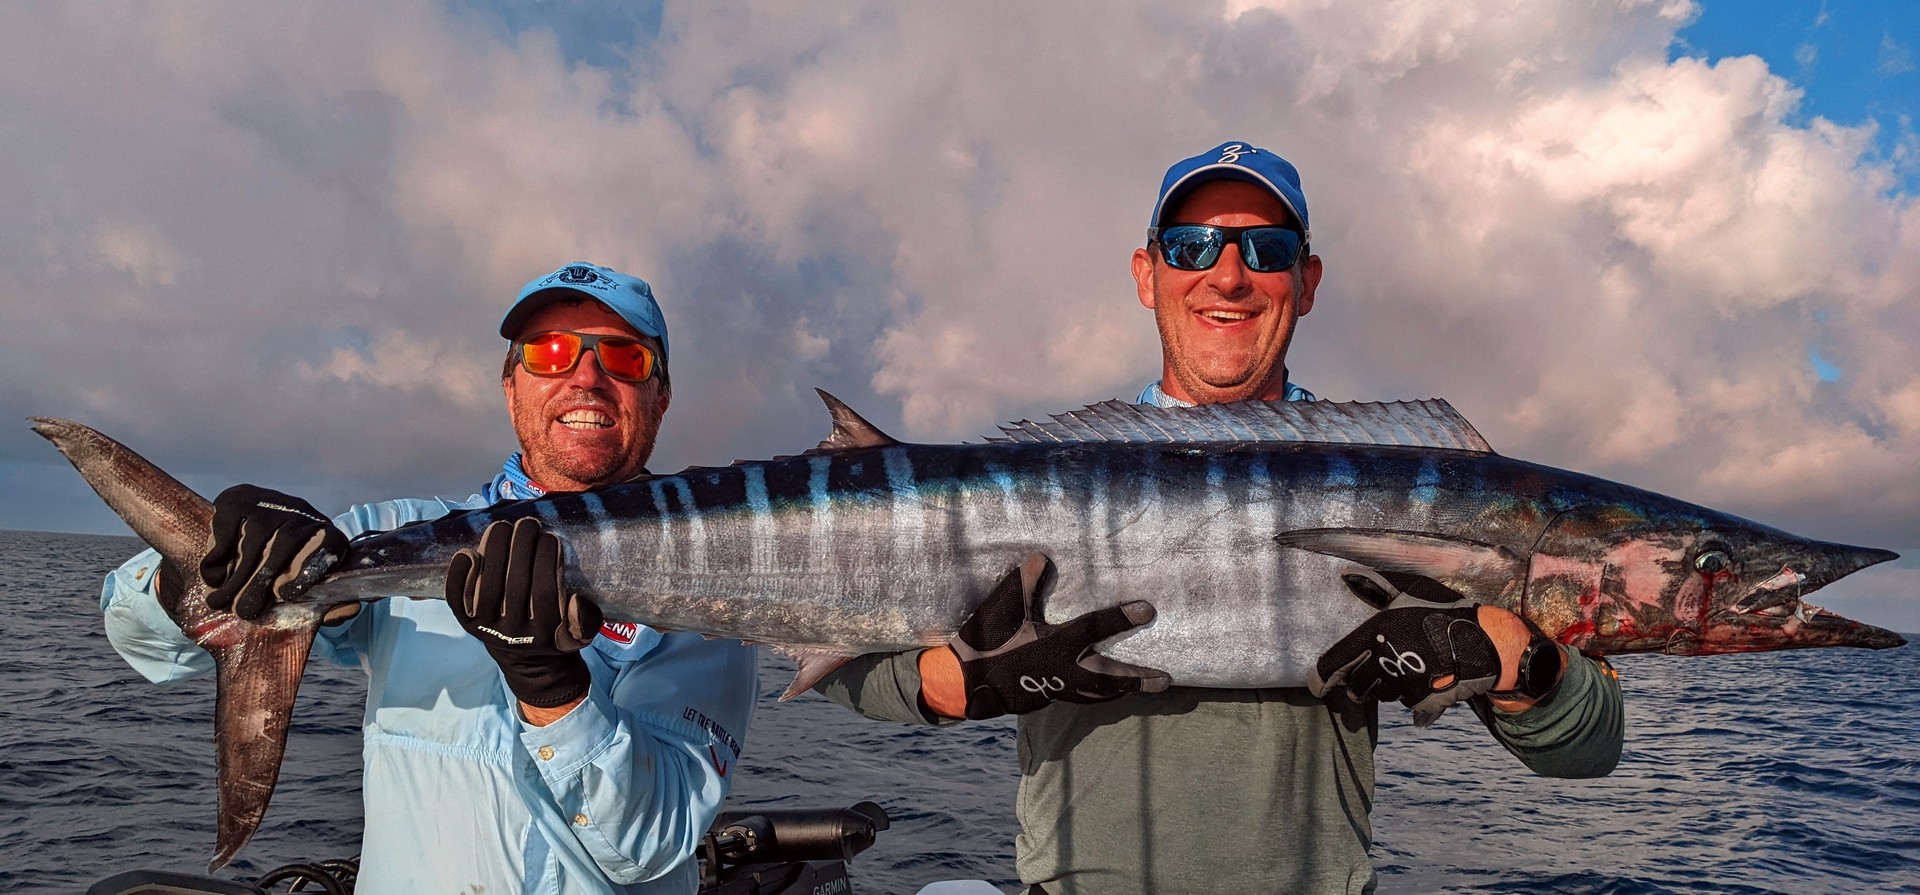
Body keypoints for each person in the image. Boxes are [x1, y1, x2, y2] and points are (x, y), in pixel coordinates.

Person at [817, 142, 1625, 894]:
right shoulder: (1044, 483)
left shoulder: (1407, 491)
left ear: (1306, 282)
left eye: (1266, 250)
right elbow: (835, 645)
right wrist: (942, 685)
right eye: (1192, 245)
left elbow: (1592, 748)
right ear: (1147, 272)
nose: (1229, 276)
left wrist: (1528, 670)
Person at [101, 263, 759, 894]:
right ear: (511, 387)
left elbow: (652, 844)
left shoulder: (722, 596)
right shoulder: (398, 528)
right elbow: (139, 637)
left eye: (625, 357)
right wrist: (218, 565)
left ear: (662, 397)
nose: (585, 377)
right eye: (548, 352)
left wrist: (554, 690)